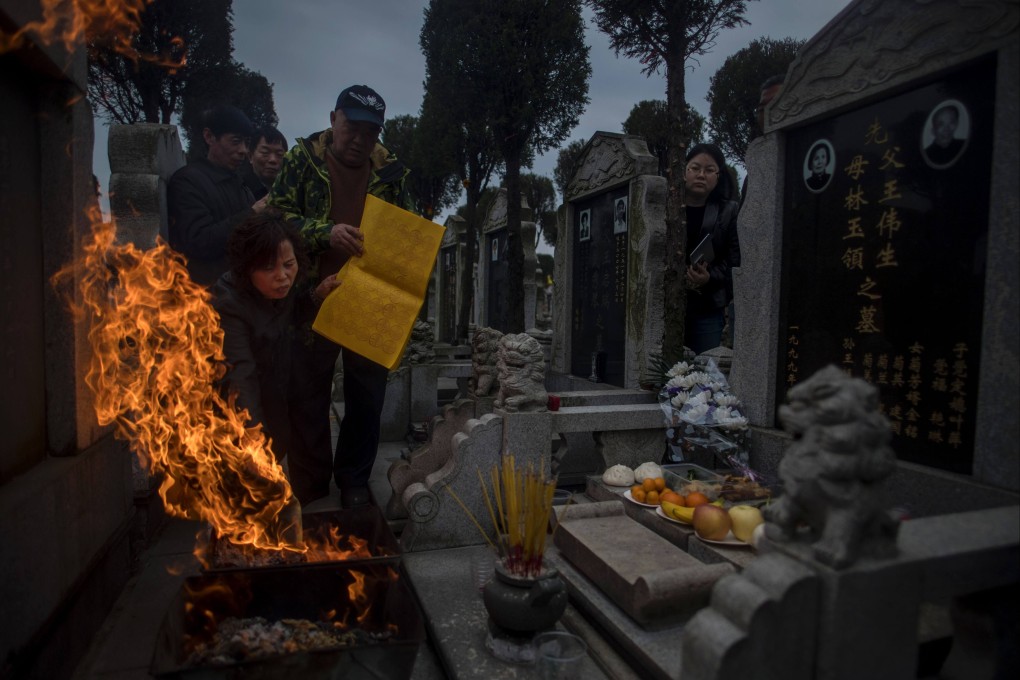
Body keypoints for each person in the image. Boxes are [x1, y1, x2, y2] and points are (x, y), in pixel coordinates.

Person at [269, 84, 410, 508]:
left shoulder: (392, 173)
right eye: (352, 126)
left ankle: (353, 481)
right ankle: (310, 483)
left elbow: (404, 233)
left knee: (367, 396)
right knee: (308, 392)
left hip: (368, 300)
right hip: (312, 296)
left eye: (371, 131)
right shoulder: (302, 161)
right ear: (333, 119)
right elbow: (276, 218)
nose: (360, 139)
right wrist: (323, 232)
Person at [211, 213, 339, 468]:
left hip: (274, 393)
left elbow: (288, 312)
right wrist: (253, 438)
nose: (282, 276)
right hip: (234, 410)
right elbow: (239, 376)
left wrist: (316, 295)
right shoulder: (228, 303)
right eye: (269, 268)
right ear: (247, 268)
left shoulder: (275, 289)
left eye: (289, 264)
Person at [168, 105, 268, 286]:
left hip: (241, 294)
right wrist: (252, 214)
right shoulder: (188, 181)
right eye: (235, 141)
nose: (243, 150)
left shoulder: (241, 185)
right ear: (209, 137)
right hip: (205, 298)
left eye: (246, 143)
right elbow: (199, 242)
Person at [682, 143, 741, 355]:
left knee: (704, 377)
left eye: (709, 170)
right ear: (684, 171)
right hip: (666, 305)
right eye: (695, 168)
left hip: (707, 308)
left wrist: (709, 277)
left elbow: (735, 261)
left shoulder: (729, 210)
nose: (701, 175)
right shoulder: (664, 205)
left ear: (718, 176)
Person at [242, 127, 289, 200]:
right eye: (265, 153)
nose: (273, 160)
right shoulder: (238, 188)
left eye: (279, 154)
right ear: (250, 156)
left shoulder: (291, 191)